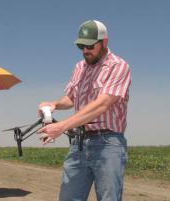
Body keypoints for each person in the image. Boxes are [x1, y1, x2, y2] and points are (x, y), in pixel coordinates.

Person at [37, 20, 131, 201]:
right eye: (81, 45)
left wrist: (62, 126)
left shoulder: (119, 66)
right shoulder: (79, 67)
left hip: (108, 143)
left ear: (104, 42)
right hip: (79, 142)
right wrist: (54, 104)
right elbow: (71, 98)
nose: (85, 50)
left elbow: (102, 104)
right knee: (68, 197)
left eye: (89, 45)